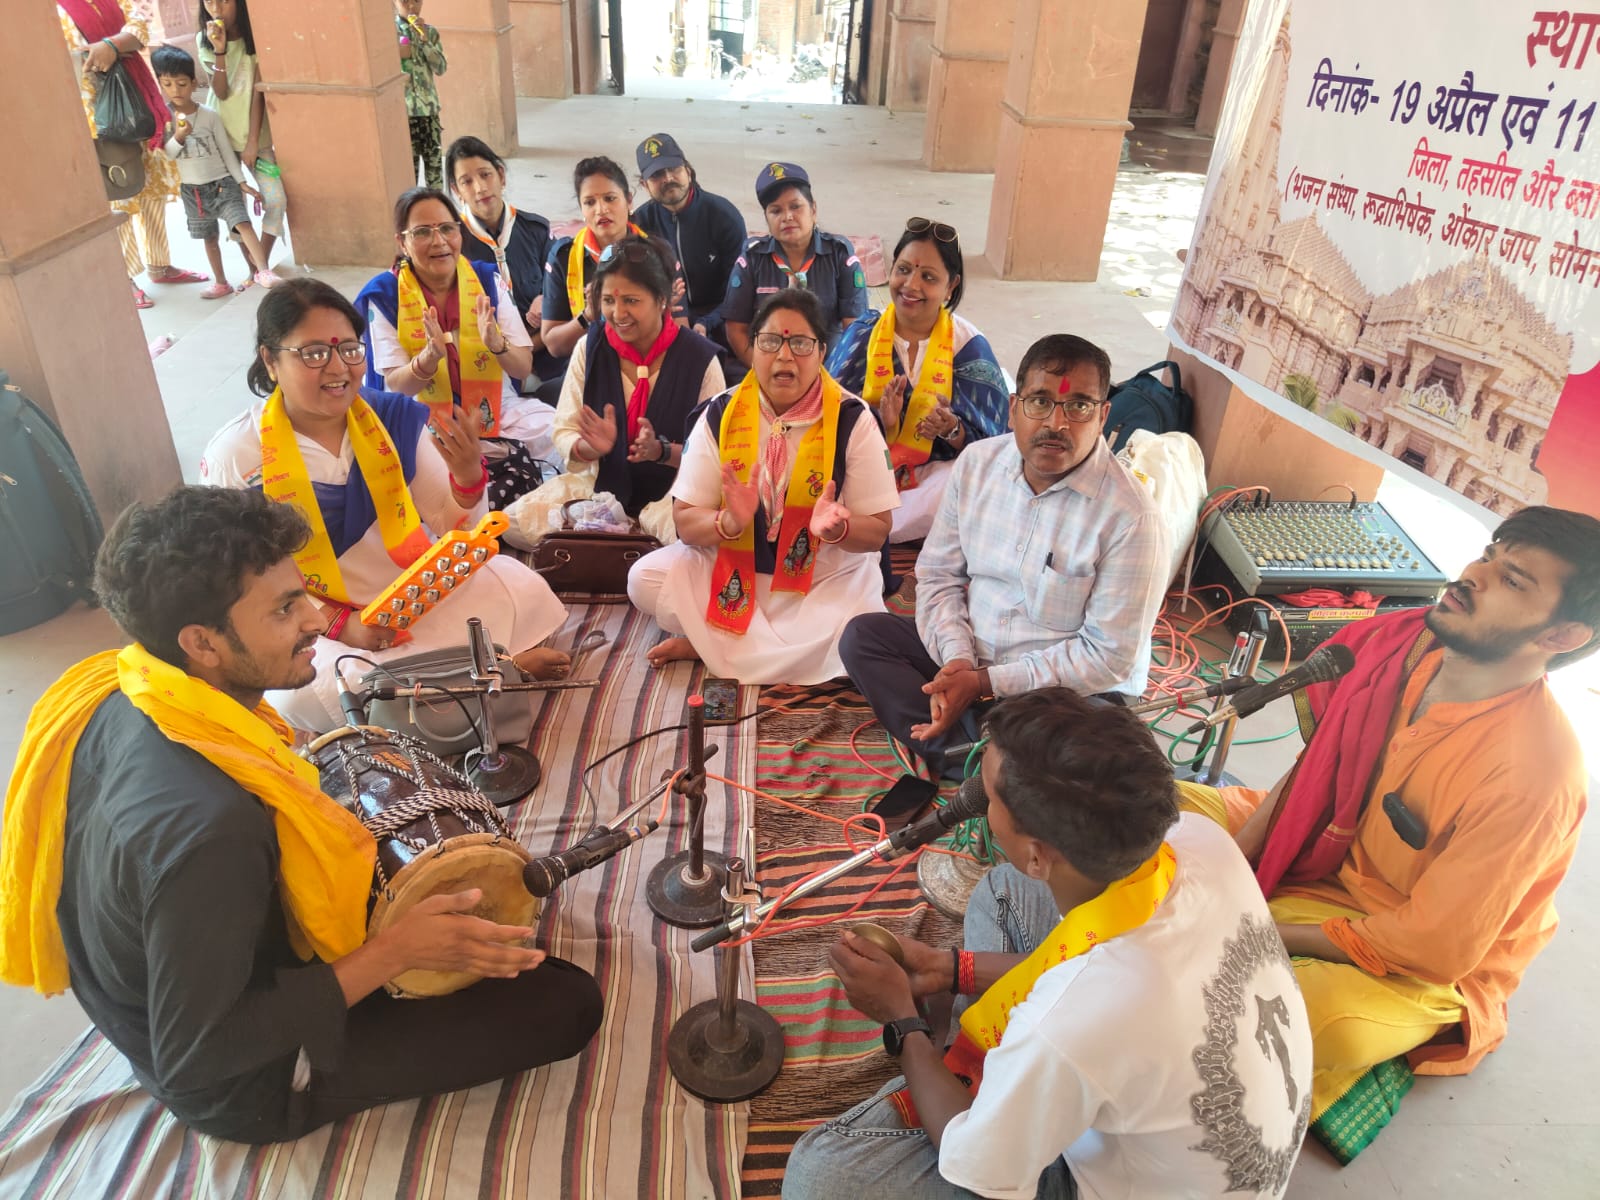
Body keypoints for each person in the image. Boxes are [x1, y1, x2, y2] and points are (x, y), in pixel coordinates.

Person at [0, 485, 602, 1144]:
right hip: (243, 1079)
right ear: (202, 642)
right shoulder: (212, 832)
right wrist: (392, 953)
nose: (317, 620)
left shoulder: (119, 686)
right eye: (285, 609)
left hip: (184, 965)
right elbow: (194, 1057)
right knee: (564, 1001)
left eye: (303, 594)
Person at [783, 689, 1311, 1199]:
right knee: (1004, 891)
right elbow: (1090, 964)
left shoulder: (1068, 1024)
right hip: (1171, 1102)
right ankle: (999, 1079)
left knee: (821, 1177)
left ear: (1037, 854)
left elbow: (978, 1167)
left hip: (1116, 1183)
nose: (973, 801)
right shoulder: (1199, 838)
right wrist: (949, 968)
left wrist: (902, 1019)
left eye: (988, 797)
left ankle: (977, 1079)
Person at [1189, 506, 1599, 1128]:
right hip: (1322, 847)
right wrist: (1240, 867)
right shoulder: (1399, 650)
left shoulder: (1534, 774)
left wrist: (1250, 924)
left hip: (1404, 944)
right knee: (1138, 806)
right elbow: (1313, 773)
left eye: (1512, 580)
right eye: (1487, 556)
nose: (1473, 575)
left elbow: (1433, 946)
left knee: (1276, 1019)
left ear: (1562, 636)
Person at [200, 278, 570, 733]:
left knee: (517, 585)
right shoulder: (237, 455)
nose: (338, 368)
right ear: (270, 361)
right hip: (316, 617)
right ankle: (494, 671)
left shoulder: (391, 416)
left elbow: (451, 526)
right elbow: (244, 578)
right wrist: (340, 624)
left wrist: (467, 478)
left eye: (349, 350)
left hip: (413, 594)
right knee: (306, 688)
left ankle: (453, 689)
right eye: (314, 354)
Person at [839, 335, 1169, 778]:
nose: (1057, 423)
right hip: (971, 655)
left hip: (1062, 693)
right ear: (1013, 408)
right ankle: (994, 766)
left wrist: (984, 684)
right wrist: (958, 662)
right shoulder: (976, 464)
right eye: (1040, 402)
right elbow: (938, 575)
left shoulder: (1133, 517)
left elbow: (1107, 658)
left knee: (1098, 740)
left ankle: (975, 756)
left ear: (1103, 415)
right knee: (863, 637)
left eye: (1078, 406)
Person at [627, 289, 898, 684]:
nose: (785, 356)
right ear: (752, 349)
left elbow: (878, 529)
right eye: (771, 341)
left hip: (822, 578)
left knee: (859, 625)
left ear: (822, 352)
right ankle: (756, 650)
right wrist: (727, 522)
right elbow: (686, 522)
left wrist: (839, 528)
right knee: (644, 581)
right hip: (734, 571)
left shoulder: (852, 419)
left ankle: (711, 645)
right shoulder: (721, 413)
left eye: (800, 343)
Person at [356, 187, 558, 503]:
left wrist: (498, 345)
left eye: (447, 228)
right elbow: (396, 384)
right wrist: (427, 360)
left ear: (459, 233)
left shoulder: (486, 281)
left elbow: (522, 367)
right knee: (416, 478)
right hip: (423, 419)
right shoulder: (385, 295)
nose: (439, 241)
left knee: (559, 435)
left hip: (496, 408)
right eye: (423, 232)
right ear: (402, 242)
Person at [826, 219, 1009, 542]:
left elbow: (990, 446)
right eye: (904, 269)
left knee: (972, 482)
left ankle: (872, 530)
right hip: (870, 469)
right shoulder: (863, 335)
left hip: (932, 476)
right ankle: (879, 527)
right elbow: (828, 416)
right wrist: (881, 421)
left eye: (928, 277)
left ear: (951, 286)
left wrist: (952, 429)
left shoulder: (968, 346)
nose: (911, 285)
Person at [541, 235, 725, 539]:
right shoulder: (590, 347)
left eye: (631, 300)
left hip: (675, 495)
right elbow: (564, 430)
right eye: (608, 301)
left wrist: (661, 452)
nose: (618, 314)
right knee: (517, 523)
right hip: (598, 489)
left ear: (662, 299)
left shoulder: (701, 359)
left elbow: (715, 455)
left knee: (677, 538)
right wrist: (592, 448)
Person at [58, 0, 210, 309]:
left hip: (138, 103)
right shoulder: (54, 10)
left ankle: (159, 265)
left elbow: (139, 24)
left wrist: (110, 46)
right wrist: (116, 45)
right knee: (120, 193)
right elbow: (76, 58)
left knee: (153, 187)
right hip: (99, 114)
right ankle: (125, 277)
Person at [541, 155, 688, 372]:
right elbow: (554, 345)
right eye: (589, 202)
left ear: (629, 201)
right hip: (589, 368)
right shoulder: (565, 256)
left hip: (649, 367)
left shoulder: (658, 253)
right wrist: (588, 316)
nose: (601, 210)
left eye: (610, 198)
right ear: (581, 209)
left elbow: (682, 333)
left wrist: (659, 311)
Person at [152, 45, 278, 297]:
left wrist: (241, 182)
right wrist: (179, 136)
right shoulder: (164, 118)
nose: (175, 90)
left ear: (193, 83)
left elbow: (226, 152)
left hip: (223, 183)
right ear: (160, 84)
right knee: (209, 238)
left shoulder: (209, 116)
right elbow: (168, 154)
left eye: (181, 84)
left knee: (242, 224)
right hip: (193, 191)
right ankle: (221, 282)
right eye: (167, 84)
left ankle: (263, 271)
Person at [722, 162, 865, 367]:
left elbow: (854, 328)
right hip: (767, 367)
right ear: (767, 219)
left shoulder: (839, 256)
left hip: (828, 367)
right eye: (776, 211)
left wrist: (829, 375)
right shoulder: (752, 260)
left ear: (813, 210)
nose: (787, 217)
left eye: (796, 206)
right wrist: (763, 371)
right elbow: (736, 329)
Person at [447, 135, 560, 392]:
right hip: (485, 363)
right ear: (456, 190)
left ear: (501, 175)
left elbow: (564, 293)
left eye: (485, 175)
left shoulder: (536, 230)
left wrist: (546, 297)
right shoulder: (454, 245)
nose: (480, 188)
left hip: (547, 355)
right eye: (467, 181)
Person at [197, 0, 290, 278]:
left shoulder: (256, 38)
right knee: (234, 208)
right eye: (209, 1)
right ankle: (254, 270)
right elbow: (220, 92)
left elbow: (257, 95)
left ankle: (262, 262)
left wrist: (252, 142)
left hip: (257, 139)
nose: (216, 7)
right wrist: (220, 50)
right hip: (220, 140)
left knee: (276, 199)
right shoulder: (204, 41)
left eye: (224, 0)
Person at [631, 132, 749, 347]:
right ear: (644, 184)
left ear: (688, 170)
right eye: (657, 175)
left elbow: (739, 291)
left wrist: (706, 322)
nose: (668, 178)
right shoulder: (640, 226)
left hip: (722, 316)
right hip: (665, 315)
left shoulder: (724, 216)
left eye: (674, 169)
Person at [394, 0, 447, 189]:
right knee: (409, 173)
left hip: (428, 112)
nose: (411, 7)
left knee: (435, 171)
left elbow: (441, 68)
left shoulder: (430, 32)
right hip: (404, 114)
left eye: (416, 1)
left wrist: (424, 41)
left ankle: (437, 205)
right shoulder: (388, 34)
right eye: (405, 1)